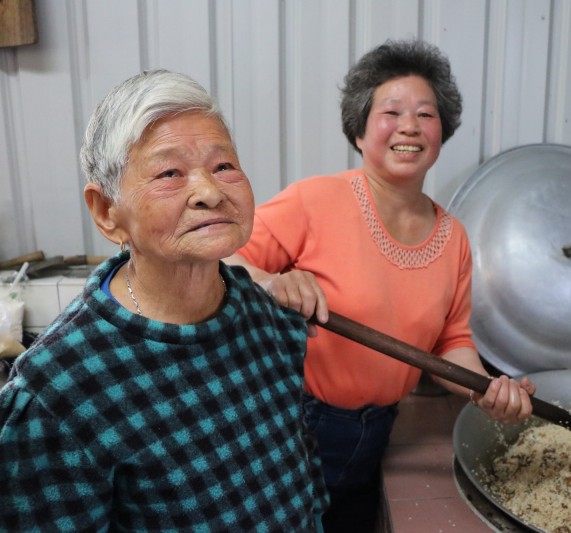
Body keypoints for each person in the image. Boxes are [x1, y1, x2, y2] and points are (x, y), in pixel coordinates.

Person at [226, 39, 536, 533]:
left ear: (442, 131)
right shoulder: (315, 200)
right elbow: (224, 258)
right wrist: (271, 281)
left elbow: (451, 342)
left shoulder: (453, 237)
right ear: (359, 130)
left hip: (376, 432)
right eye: (391, 111)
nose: (409, 126)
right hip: (292, 424)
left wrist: (486, 390)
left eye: (425, 114)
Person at [0, 70, 327, 532]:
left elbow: (302, 472)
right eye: (170, 173)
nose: (210, 192)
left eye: (224, 166)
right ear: (106, 213)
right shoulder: (59, 392)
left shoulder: (268, 319)